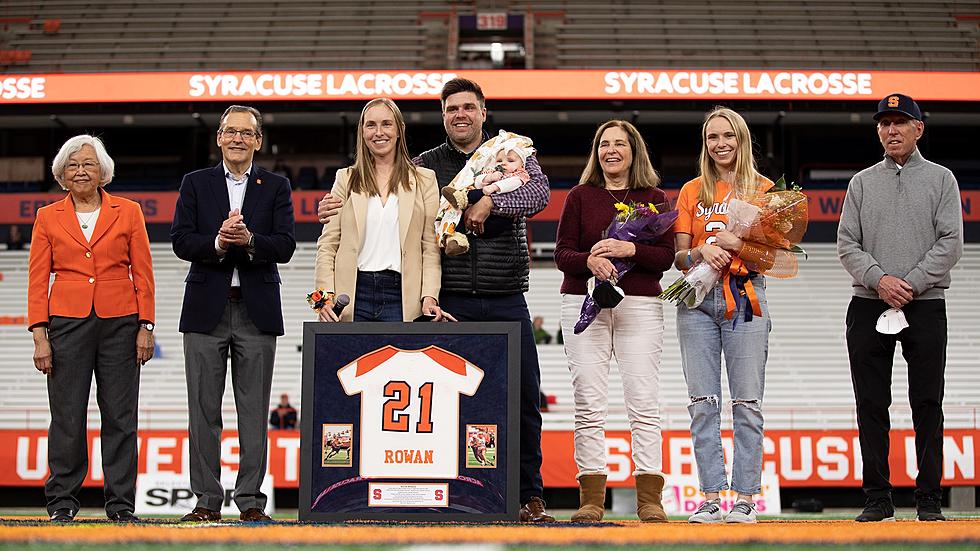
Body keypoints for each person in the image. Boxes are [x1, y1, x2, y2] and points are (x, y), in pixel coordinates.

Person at [412, 78, 553, 522]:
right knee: (448, 403)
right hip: (448, 298)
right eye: (452, 108)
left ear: (483, 111)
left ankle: (531, 497)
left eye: (468, 107)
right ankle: (455, 495)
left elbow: (538, 194)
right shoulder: (425, 165)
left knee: (525, 401)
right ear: (442, 114)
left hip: (507, 296)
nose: (460, 115)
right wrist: (339, 201)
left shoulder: (510, 152)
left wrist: (490, 201)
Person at [837, 93, 963, 522]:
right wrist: (880, 280)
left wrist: (909, 283)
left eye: (900, 122)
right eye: (884, 123)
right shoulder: (861, 182)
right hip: (868, 304)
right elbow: (846, 244)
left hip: (925, 305)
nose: (891, 130)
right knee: (870, 403)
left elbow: (951, 242)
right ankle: (878, 499)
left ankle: (928, 499)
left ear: (918, 128)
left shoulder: (942, 179)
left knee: (928, 401)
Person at [171, 105, 296, 523]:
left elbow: (286, 245)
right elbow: (181, 241)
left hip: (256, 310)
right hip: (206, 309)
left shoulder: (276, 185)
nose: (239, 139)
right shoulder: (195, 183)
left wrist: (251, 239)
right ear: (219, 138)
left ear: (258, 141)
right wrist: (221, 244)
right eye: (231, 131)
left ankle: (250, 502)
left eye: (247, 132)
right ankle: (206, 501)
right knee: (203, 412)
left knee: (253, 411)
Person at [28, 135, 155, 523]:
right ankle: (62, 502)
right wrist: (40, 335)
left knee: (120, 417)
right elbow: (37, 280)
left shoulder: (129, 211)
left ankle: (120, 505)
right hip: (66, 324)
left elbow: (143, 271)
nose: (80, 171)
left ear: (103, 171)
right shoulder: (47, 216)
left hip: (121, 322)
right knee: (66, 415)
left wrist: (146, 325)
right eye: (72, 165)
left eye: (88, 164)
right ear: (61, 174)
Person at [554, 120, 675, 522]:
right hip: (584, 302)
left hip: (639, 305)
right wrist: (589, 260)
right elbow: (561, 255)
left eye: (619, 144)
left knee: (643, 402)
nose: (611, 150)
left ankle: (649, 499)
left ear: (633, 150)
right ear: (596, 152)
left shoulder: (654, 197)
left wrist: (628, 247)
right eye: (604, 144)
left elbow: (665, 258)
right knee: (588, 401)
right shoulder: (579, 196)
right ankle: (590, 499)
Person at [673, 107, 773, 524]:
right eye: (713, 137)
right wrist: (701, 251)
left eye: (728, 135)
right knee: (702, 403)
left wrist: (739, 245)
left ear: (741, 139)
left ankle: (746, 498)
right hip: (696, 300)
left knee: (747, 403)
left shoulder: (765, 191)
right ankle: (711, 496)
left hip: (746, 299)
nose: (721, 144)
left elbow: (772, 259)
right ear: (705, 143)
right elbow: (679, 257)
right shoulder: (692, 190)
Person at [314, 98, 446, 323]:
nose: (379, 132)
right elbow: (327, 245)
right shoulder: (344, 178)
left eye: (386, 124)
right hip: (352, 296)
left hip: (403, 296)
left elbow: (430, 247)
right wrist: (321, 301)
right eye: (371, 125)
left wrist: (430, 296)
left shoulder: (425, 179)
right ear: (362, 132)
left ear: (399, 130)